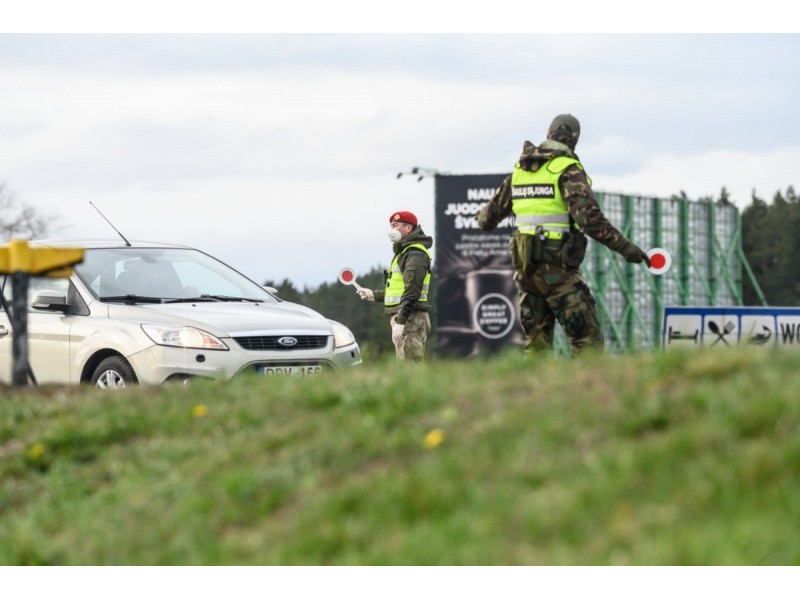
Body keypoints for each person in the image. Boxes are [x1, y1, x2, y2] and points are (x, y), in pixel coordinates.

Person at [477, 113, 650, 356]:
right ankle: (585, 392)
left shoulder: (520, 171)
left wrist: (480, 215)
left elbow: (487, 219)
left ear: (548, 134)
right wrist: (625, 247)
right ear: (574, 140)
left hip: (526, 272)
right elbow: (590, 220)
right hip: (558, 272)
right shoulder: (566, 170)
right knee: (586, 340)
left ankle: (530, 392)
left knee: (536, 345)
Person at [357, 211, 433, 361]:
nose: (392, 230)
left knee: (410, 368)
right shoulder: (404, 252)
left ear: (408, 228)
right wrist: (374, 295)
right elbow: (399, 290)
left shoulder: (414, 253)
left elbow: (412, 291)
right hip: (408, 317)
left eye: (395, 225)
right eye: (391, 226)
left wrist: (401, 321)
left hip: (410, 318)